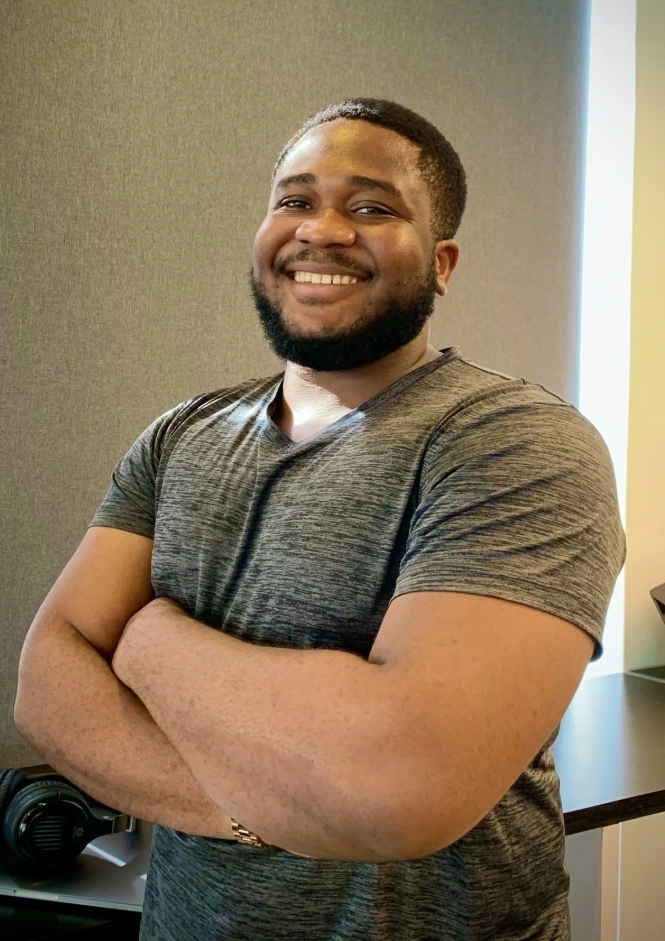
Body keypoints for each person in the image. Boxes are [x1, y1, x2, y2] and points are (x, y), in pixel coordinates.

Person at [49, 99, 629, 939]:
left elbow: (403, 782)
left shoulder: (516, 442)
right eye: (293, 200)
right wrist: (267, 811)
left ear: (443, 262)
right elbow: (50, 682)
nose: (321, 230)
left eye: (371, 207)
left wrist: (146, 640)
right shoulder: (180, 436)